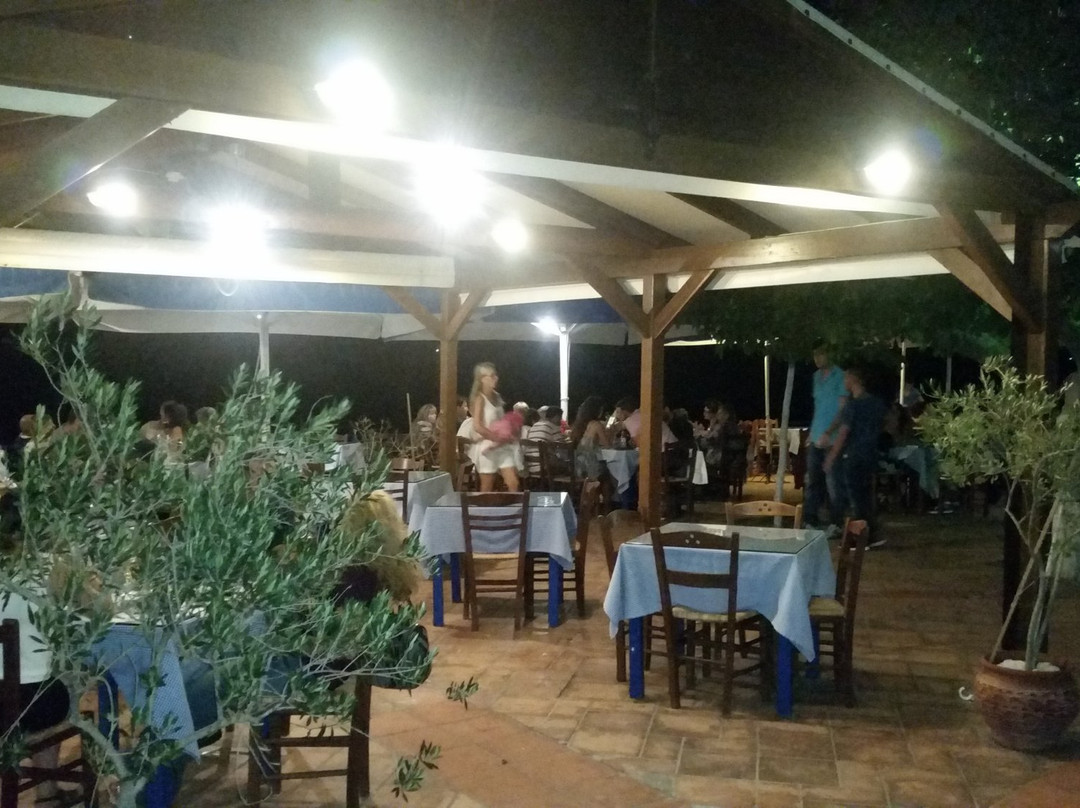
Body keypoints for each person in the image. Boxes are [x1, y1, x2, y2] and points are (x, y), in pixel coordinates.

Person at [825, 367, 886, 547]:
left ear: (853, 379)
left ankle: (861, 537)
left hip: (854, 455)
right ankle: (872, 534)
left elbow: (844, 432)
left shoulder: (853, 405)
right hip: (870, 454)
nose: (844, 382)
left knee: (856, 498)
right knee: (865, 496)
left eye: (846, 378)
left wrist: (831, 457)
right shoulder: (876, 403)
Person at [805, 344, 848, 529]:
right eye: (815, 354)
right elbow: (819, 407)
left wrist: (829, 431)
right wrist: (812, 431)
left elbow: (843, 409)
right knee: (813, 481)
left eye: (821, 354)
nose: (817, 358)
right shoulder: (816, 377)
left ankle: (836, 523)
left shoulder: (841, 376)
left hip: (833, 439)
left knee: (834, 483)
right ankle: (810, 519)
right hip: (816, 436)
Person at [468, 363, 521, 492]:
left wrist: (509, 431)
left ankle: (513, 505)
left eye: (495, 375)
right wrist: (495, 437)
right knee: (487, 486)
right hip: (487, 445)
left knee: (513, 483)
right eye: (492, 376)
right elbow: (477, 426)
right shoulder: (480, 399)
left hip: (501, 445)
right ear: (482, 379)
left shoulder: (497, 397)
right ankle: (485, 506)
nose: (496, 378)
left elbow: (501, 421)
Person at [570, 396, 612, 479]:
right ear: (596, 410)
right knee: (611, 470)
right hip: (590, 468)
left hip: (577, 467)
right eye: (601, 409)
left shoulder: (578, 425)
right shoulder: (597, 425)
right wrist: (612, 432)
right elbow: (607, 446)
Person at [610, 396, 677, 447]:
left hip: (662, 453)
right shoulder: (642, 412)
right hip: (675, 446)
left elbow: (639, 444)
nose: (616, 415)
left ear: (624, 411)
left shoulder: (629, 421)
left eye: (617, 412)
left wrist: (612, 418)